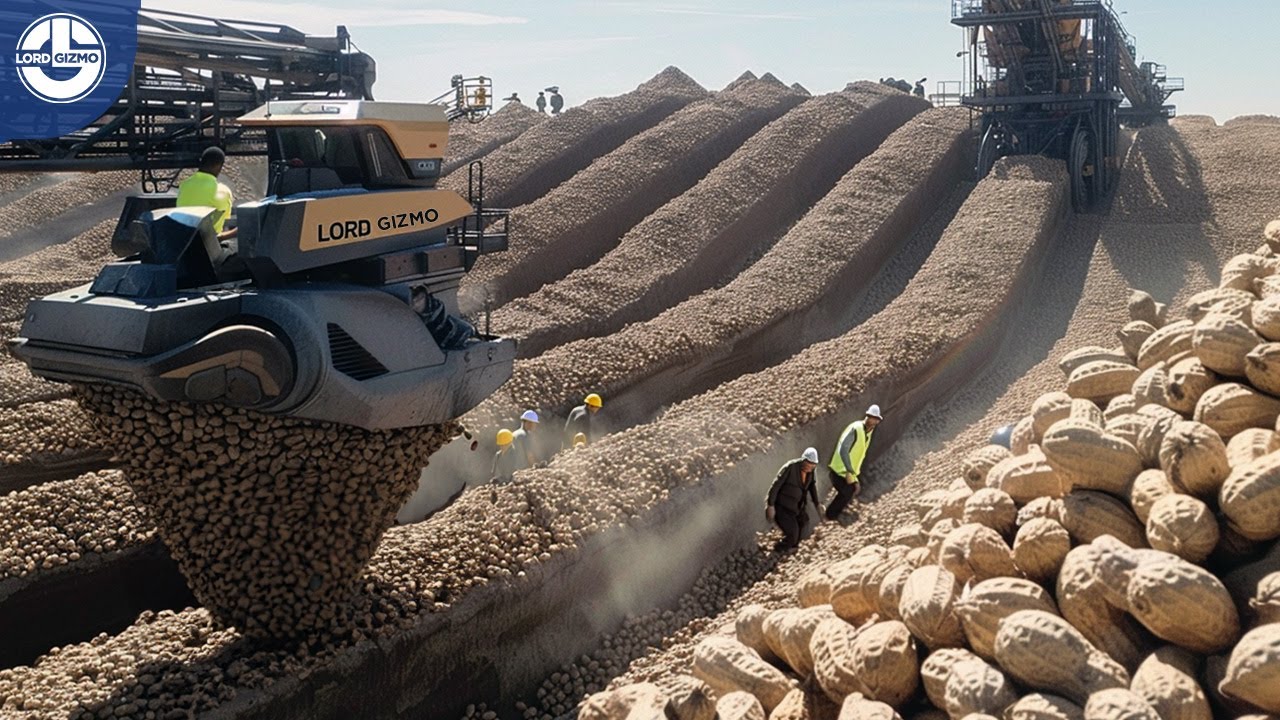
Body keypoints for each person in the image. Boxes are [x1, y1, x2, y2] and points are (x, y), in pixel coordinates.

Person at [825, 404, 883, 520]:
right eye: (871, 417)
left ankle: (834, 512)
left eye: (875, 419)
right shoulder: (856, 429)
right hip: (839, 470)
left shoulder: (868, 432)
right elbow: (844, 450)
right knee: (847, 491)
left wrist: (854, 477)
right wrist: (849, 472)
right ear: (867, 416)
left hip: (847, 471)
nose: (872, 420)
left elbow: (857, 456)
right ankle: (829, 516)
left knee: (852, 489)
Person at [765, 447, 825, 551]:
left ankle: (792, 546)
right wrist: (770, 505)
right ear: (803, 460)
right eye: (808, 464)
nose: (809, 468)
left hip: (796, 508)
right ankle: (777, 549)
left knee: (804, 522)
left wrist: (817, 504)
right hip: (782, 508)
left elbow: (812, 486)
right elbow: (775, 486)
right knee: (793, 534)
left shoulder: (811, 471)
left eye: (812, 465)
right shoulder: (790, 467)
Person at [176, 146, 237, 240]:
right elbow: (223, 223)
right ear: (219, 166)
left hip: (183, 241)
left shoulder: (184, 185)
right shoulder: (224, 192)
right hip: (207, 247)